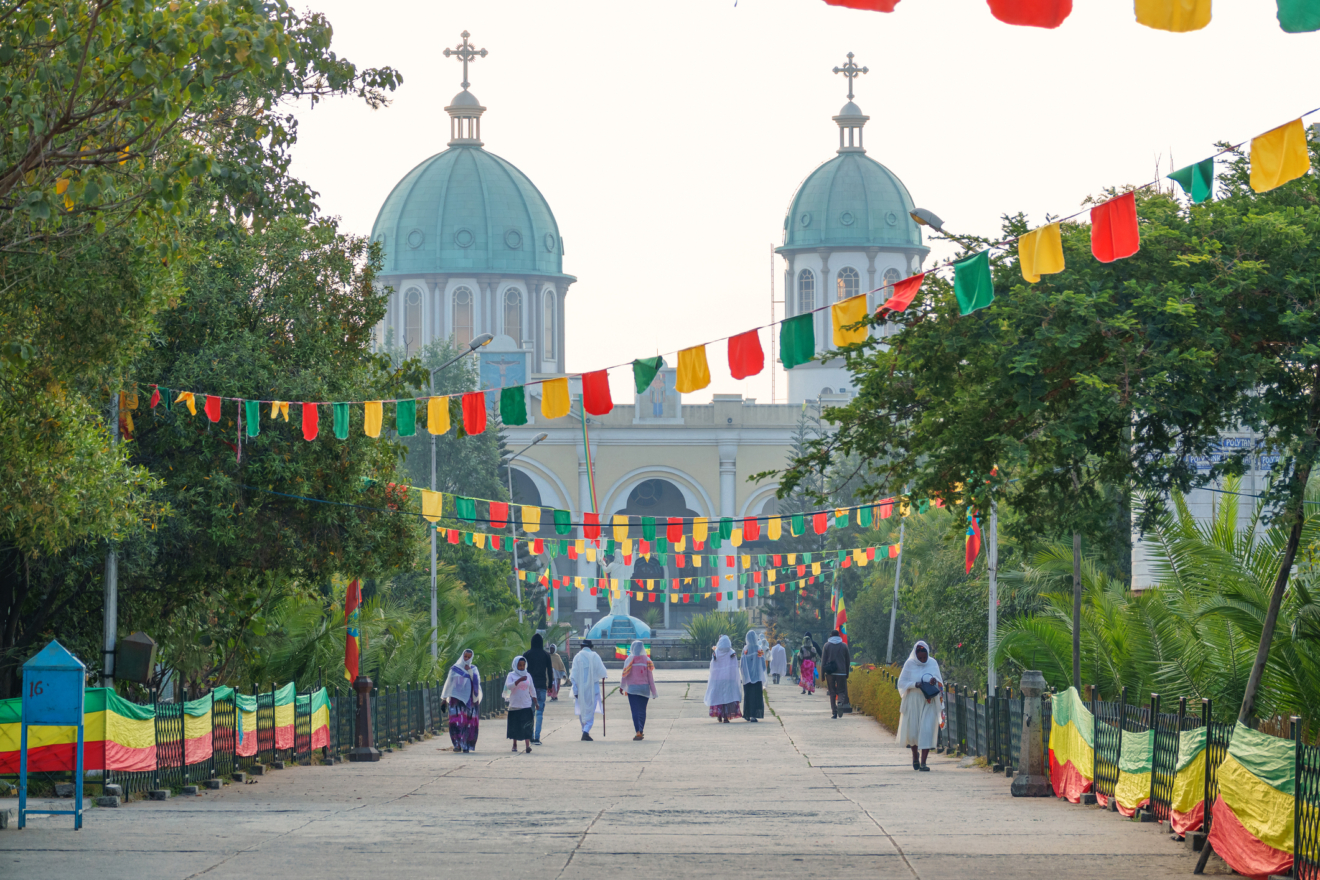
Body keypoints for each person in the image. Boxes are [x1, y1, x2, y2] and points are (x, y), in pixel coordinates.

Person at [896, 640, 944, 771]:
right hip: (913, 700)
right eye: (920, 658)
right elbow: (901, 682)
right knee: (913, 732)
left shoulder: (933, 663)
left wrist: (934, 681)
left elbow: (939, 682)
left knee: (927, 730)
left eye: (925, 657)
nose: (923, 660)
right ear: (916, 655)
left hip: (928, 701)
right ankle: (915, 756)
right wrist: (915, 684)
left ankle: (923, 762)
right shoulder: (909, 663)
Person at [440, 648, 481, 753]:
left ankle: (466, 745)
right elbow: (448, 684)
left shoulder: (474, 669)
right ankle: (457, 745)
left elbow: (477, 682)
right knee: (456, 722)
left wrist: (470, 671)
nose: (466, 658)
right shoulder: (455, 669)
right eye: (465, 656)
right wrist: (444, 699)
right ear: (462, 656)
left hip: (470, 702)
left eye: (468, 657)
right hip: (456, 701)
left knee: (468, 723)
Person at [570, 639, 608, 741]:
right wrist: (604, 676)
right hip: (593, 689)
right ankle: (586, 731)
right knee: (590, 710)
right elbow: (603, 672)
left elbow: (573, 676)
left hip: (580, 690)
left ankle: (584, 730)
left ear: (581, 647)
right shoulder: (594, 656)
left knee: (582, 711)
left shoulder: (577, 657)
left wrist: (575, 690)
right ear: (591, 647)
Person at [620, 639, 658, 740]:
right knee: (642, 710)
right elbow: (650, 677)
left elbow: (624, 675)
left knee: (635, 710)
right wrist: (653, 692)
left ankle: (638, 731)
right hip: (644, 688)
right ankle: (641, 730)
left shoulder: (629, 660)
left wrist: (622, 687)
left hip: (632, 689)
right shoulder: (647, 660)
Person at [522, 633, 553, 745]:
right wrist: (550, 685)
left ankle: (529, 735)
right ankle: (537, 737)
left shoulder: (527, 654)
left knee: (530, 712)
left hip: (529, 687)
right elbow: (549, 671)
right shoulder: (546, 655)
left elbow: (522, 670)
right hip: (541, 686)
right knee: (539, 712)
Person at [704, 634, 743, 722]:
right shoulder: (731, 652)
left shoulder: (716, 652)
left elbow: (713, 667)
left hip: (718, 680)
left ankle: (719, 715)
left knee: (719, 697)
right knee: (728, 699)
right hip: (729, 680)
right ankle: (726, 717)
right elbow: (734, 667)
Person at [504, 656, 535, 753]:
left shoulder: (528, 675)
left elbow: (532, 689)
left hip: (526, 704)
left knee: (527, 726)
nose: (522, 667)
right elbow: (509, 686)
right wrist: (519, 680)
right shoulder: (511, 675)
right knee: (515, 726)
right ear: (515, 665)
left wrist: (536, 701)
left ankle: (527, 746)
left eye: (523, 665)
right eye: (520, 665)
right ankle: (514, 744)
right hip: (515, 705)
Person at [821, 629, 852, 719]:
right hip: (841, 672)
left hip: (830, 672)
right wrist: (847, 672)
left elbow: (823, 661)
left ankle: (834, 712)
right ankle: (840, 703)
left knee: (832, 692)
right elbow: (848, 661)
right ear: (839, 636)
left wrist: (822, 674)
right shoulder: (844, 646)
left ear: (831, 636)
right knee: (841, 691)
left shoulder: (826, 645)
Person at [739, 630, 765, 722]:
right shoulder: (759, 648)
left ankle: (748, 714)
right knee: (756, 696)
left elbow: (742, 663)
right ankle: (754, 715)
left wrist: (743, 673)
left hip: (747, 678)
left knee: (748, 695)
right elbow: (762, 663)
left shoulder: (745, 649)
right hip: (757, 677)